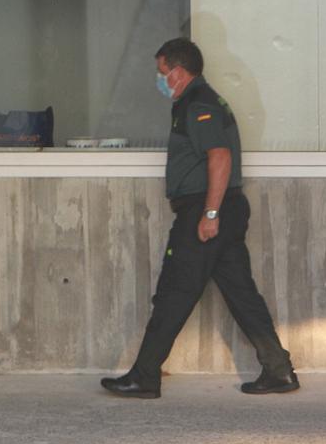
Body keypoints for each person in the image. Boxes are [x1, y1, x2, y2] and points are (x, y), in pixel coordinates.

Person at [102, 38, 298, 398]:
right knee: (241, 293)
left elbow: (219, 157)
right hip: (221, 210)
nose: (160, 80)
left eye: (162, 73)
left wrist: (209, 214)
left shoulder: (198, 104)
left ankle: (144, 376)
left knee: (173, 293)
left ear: (177, 72)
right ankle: (278, 370)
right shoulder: (199, 102)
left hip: (205, 211)